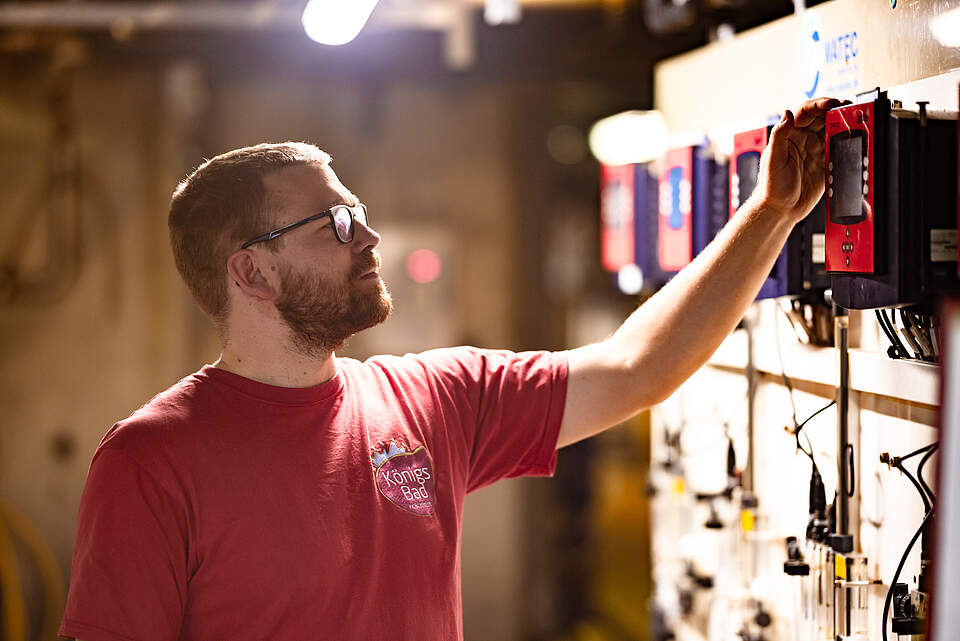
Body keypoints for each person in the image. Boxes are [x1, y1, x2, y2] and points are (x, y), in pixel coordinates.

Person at [59, 97, 841, 641]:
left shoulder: (433, 398)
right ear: (251, 274)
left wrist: (771, 212)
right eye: (335, 223)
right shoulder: (150, 461)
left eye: (357, 211)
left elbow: (638, 368)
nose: (367, 236)